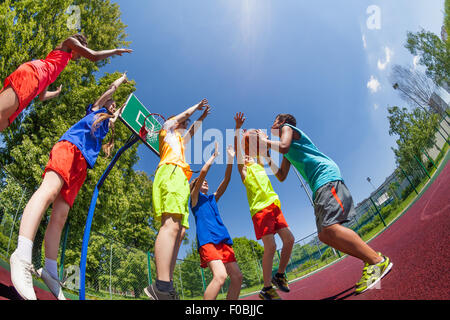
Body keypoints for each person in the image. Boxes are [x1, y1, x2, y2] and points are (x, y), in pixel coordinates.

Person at [9, 73, 129, 300]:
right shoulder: (94, 110)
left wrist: (126, 105)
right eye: (110, 103)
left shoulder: (105, 126)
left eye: (114, 106)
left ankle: (50, 272)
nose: (112, 105)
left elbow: (116, 117)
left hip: (81, 166)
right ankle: (22, 254)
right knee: (49, 191)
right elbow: (109, 92)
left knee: (61, 215)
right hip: (70, 148)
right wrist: (121, 82)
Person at [257, 113, 393, 294]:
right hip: (318, 185)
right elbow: (281, 176)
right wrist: (267, 155)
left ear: (282, 122)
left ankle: (377, 261)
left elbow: (282, 146)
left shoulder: (287, 129)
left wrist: (263, 141)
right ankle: (371, 260)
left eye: (274, 121)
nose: (272, 124)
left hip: (325, 177)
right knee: (324, 235)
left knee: (330, 228)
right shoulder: (287, 151)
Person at [143, 99, 211, 300]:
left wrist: (202, 117)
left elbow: (191, 132)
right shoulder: (166, 129)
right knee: (171, 226)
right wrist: (195, 107)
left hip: (181, 178)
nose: (185, 124)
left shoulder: (179, 140)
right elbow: (181, 117)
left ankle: (168, 284)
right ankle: (160, 286)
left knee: (180, 232)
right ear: (173, 122)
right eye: (183, 121)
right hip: (170, 172)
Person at [0, 33, 133, 131]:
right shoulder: (69, 42)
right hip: (33, 73)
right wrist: (115, 51)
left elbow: (42, 96)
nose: (80, 56)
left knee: (3, 122)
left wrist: (56, 93)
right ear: (78, 45)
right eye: (80, 52)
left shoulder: (57, 65)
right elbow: (94, 56)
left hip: (37, 84)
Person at [233, 112, 294, 300]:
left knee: (289, 240)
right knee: (271, 246)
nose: (248, 157)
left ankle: (280, 274)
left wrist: (263, 137)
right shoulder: (244, 169)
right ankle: (266, 288)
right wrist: (237, 128)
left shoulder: (259, 163)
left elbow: (262, 150)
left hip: (274, 205)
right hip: (260, 209)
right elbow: (240, 151)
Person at [190, 142, 243, 300]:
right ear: (195, 186)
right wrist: (213, 157)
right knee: (220, 276)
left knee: (237, 277)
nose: (205, 181)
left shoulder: (212, 198)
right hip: (208, 241)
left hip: (223, 240)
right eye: (201, 182)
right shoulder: (194, 199)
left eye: (206, 181)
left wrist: (230, 159)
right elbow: (203, 174)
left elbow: (226, 180)